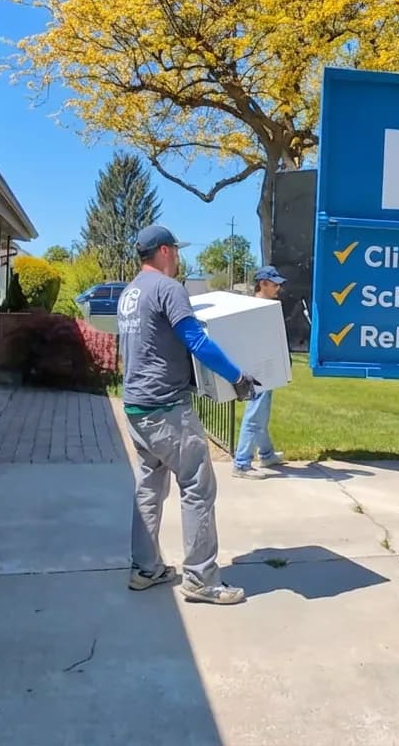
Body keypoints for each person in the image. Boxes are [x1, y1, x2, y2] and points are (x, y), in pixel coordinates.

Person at [118, 224, 261, 605]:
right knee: (198, 488)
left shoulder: (130, 292)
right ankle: (201, 579)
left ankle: (145, 569)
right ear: (164, 251)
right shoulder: (168, 289)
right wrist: (237, 377)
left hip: (135, 406)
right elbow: (196, 340)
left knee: (148, 488)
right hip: (167, 408)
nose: (179, 258)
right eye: (176, 251)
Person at [233, 265, 288, 479]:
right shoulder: (255, 308)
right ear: (262, 283)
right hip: (259, 370)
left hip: (268, 367)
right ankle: (241, 463)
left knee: (261, 414)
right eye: (275, 284)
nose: (278, 288)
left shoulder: (269, 306)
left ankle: (266, 454)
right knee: (255, 415)